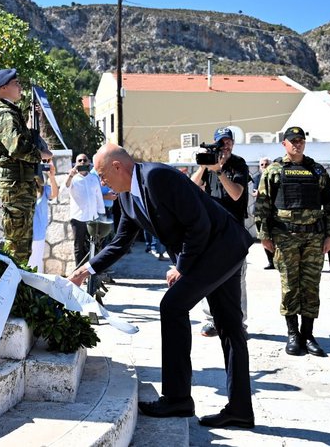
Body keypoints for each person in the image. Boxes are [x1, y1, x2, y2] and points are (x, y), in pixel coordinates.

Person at [69, 143, 254, 429]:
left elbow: (199, 224)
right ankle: (240, 410)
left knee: (172, 306)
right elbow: (120, 243)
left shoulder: (157, 177)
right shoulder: (127, 199)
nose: (102, 182)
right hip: (215, 251)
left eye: (103, 175)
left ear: (118, 167)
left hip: (222, 246)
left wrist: (181, 267)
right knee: (229, 326)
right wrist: (86, 269)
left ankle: (178, 398)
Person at [254, 126, 330, 358]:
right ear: (284, 144)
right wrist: (264, 236)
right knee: (290, 285)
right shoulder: (273, 171)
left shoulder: (317, 171)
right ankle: (292, 334)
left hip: (314, 237)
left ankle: (308, 334)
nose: (297, 144)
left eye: (300, 140)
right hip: (285, 237)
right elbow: (262, 207)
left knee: (310, 286)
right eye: (293, 141)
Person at [0, 68, 53, 264]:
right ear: (4, 87)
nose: (20, 86)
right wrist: (42, 155)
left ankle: (17, 286)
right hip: (16, 185)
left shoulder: (11, 113)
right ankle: (11, 289)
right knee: (17, 244)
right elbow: (16, 147)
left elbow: (21, 139)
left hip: (21, 184)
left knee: (22, 242)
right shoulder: (4, 115)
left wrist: (32, 123)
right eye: (16, 83)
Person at [190, 127, 249, 338]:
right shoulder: (209, 163)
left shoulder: (239, 164)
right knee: (209, 275)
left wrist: (218, 170)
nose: (225, 146)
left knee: (237, 277)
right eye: (221, 142)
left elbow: (236, 194)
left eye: (228, 142)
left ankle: (239, 323)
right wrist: (205, 166)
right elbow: (191, 187)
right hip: (212, 230)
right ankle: (211, 320)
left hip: (233, 229)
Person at [65, 153, 106, 266]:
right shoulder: (72, 178)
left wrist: (102, 214)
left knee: (94, 246)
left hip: (93, 218)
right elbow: (65, 187)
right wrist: (70, 175)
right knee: (79, 247)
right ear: (75, 163)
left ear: (88, 163)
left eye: (84, 160)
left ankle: (92, 275)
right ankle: (79, 274)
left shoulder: (94, 178)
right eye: (80, 161)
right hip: (78, 218)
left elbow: (98, 197)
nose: (82, 162)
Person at [29, 159, 59, 271]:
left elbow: (54, 194)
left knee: (36, 263)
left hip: (38, 233)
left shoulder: (44, 190)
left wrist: (52, 176)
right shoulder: (24, 191)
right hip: (25, 233)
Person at [252, 157, 276, 270]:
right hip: (260, 211)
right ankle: (270, 261)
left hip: (273, 211)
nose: (264, 166)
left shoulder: (275, 177)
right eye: (262, 165)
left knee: (275, 237)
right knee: (264, 237)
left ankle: (277, 260)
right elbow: (254, 192)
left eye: (266, 164)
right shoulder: (257, 177)